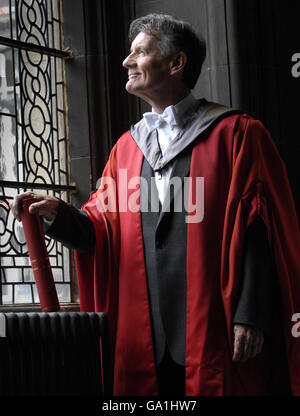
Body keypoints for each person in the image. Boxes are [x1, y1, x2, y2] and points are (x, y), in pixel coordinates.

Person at [11, 13, 300, 396]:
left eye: (140, 52)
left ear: (176, 63)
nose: (126, 61)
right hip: (141, 337)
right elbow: (101, 231)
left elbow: (261, 231)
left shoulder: (239, 135)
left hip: (214, 326)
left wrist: (250, 316)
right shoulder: (126, 149)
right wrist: (56, 215)